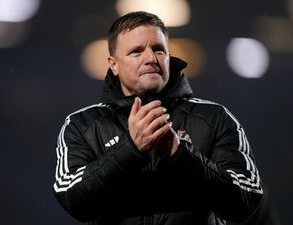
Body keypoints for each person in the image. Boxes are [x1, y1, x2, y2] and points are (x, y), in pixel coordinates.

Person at [53, 11, 263, 225]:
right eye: (136, 52)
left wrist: (179, 154)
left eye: (158, 50)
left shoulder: (215, 118)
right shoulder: (82, 125)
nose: (151, 59)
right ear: (113, 64)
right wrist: (131, 149)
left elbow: (246, 200)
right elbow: (73, 199)